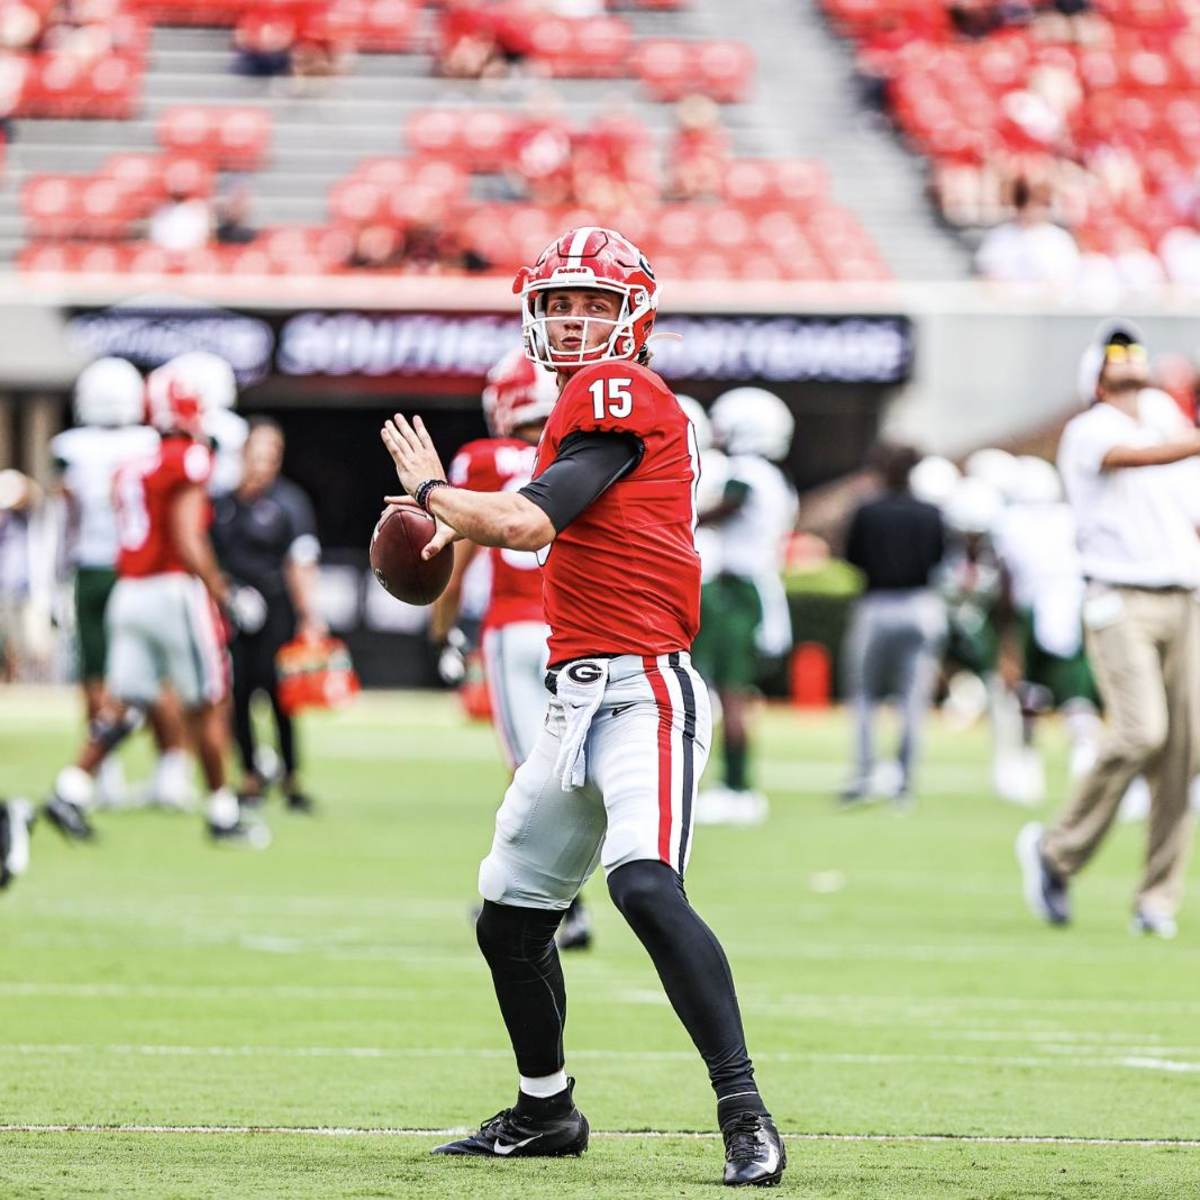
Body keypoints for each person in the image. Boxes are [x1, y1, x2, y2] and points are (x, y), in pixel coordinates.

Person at [380, 227, 785, 1187]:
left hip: (645, 688)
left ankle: (744, 1113)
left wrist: (435, 493)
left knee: (643, 888)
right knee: (509, 920)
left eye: (593, 304)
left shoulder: (624, 392)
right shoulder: (573, 409)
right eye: (559, 302)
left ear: (632, 315)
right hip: (572, 695)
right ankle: (545, 1110)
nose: (571, 319)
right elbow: (525, 517)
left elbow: (527, 521)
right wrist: (449, 526)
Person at [1018, 322, 1200, 939]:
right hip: (1120, 596)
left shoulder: (1166, 428)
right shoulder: (1088, 430)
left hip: (1184, 594)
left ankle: (1156, 897)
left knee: (1185, 751)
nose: (1130, 361)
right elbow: (1134, 458)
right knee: (1142, 729)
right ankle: (1056, 850)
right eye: (1116, 354)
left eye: (1134, 352)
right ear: (1097, 374)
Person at [42, 366, 263, 847]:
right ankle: (224, 812)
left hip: (129, 590)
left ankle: (70, 789)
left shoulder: (134, 463)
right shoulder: (185, 458)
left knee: (120, 704)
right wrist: (223, 591)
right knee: (208, 701)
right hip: (171, 590)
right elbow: (187, 536)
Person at [432, 348, 592, 951]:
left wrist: (445, 632)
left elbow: (456, 553)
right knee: (569, 771)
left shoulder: (481, 459)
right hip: (574, 630)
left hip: (511, 628)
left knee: (528, 774)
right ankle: (550, 896)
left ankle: (546, 901)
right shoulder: (579, 456)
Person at [50, 358, 159, 808]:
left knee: (95, 674)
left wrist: (57, 575)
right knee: (153, 673)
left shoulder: (70, 449)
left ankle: (104, 769)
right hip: (137, 569)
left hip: (90, 567)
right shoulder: (150, 444)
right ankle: (168, 766)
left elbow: (65, 519)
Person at [693, 387, 797, 826]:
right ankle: (733, 786)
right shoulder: (775, 477)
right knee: (727, 693)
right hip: (750, 586)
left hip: (737, 592)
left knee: (727, 694)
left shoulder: (746, 475)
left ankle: (737, 786)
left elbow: (713, 512)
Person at [211, 419, 324, 812]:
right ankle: (250, 774)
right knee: (240, 692)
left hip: (277, 606)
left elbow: (300, 560)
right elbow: (212, 558)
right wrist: (228, 593)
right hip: (235, 608)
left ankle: (291, 776)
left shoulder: (288, 502)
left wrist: (309, 613)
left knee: (281, 694)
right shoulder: (224, 503)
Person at [840, 444, 947, 806]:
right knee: (912, 699)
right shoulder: (931, 511)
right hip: (921, 604)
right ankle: (903, 783)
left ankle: (865, 775)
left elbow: (853, 556)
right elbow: (939, 558)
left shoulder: (868, 510)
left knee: (865, 694)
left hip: (877, 603)